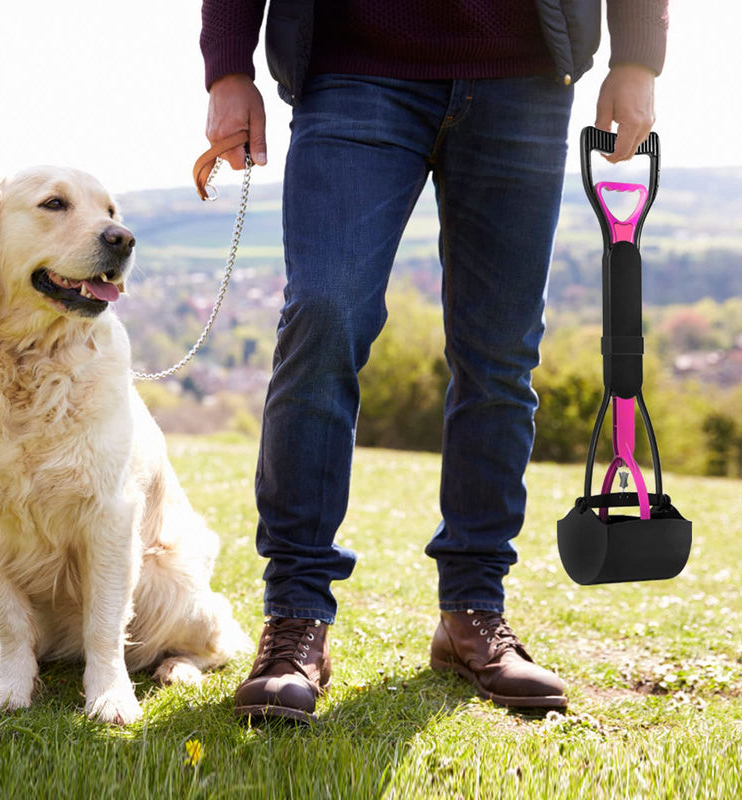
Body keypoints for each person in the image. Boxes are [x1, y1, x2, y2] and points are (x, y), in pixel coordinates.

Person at [200, 0, 667, 723]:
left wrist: (637, 58)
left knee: (500, 355)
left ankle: (472, 611)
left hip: (525, 74)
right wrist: (227, 67)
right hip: (353, 67)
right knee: (324, 314)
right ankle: (295, 618)